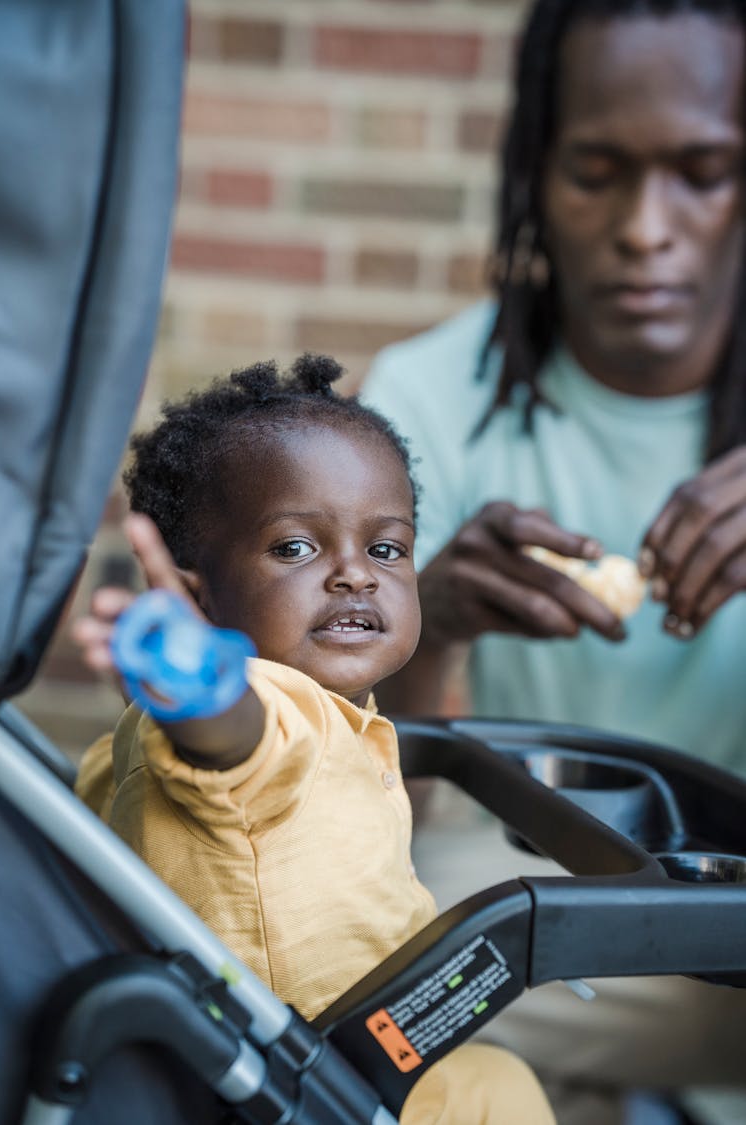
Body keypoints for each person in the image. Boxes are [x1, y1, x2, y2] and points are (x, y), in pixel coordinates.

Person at [361, 1, 746, 1122]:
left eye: (705, 173)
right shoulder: (429, 400)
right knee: (334, 938)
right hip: (548, 918)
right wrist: (425, 619)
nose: (644, 226)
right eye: (596, 170)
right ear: (535, 169)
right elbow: (357, 810)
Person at [72, 354, 556, 1125]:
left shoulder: (153, 738)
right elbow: (237, 740)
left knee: (494, 1073)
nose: (355, 576)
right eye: (296, 547)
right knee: (500, 1093)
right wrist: (200, 684)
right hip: (307, 1084)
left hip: (284, 1058)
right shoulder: (268, 702)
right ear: (199, 595)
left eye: (388, 548)